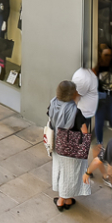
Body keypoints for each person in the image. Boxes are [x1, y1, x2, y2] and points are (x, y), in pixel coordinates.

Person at [48, 80, 91, 210]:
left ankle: (64, 198)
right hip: (70, 147)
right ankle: (63, 200)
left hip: (56, 144)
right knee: (70, 174)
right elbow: (84, 131)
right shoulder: (75, 112)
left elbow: (50, 119)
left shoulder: (53, 104)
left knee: (60, 170)